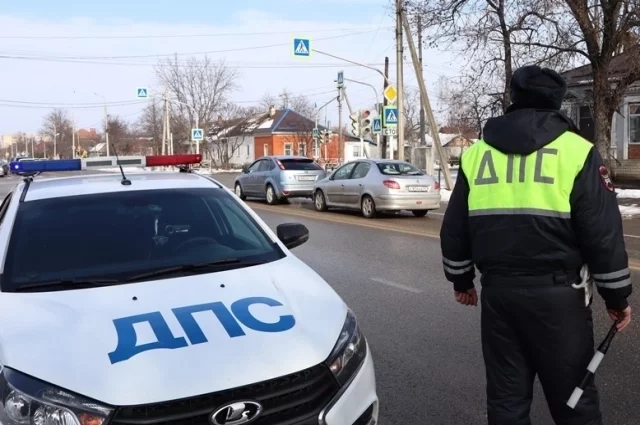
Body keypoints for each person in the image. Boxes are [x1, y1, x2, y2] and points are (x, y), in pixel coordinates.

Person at [439, 65, 632, 425]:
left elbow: (454, 228)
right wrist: (616, 297)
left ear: (513, 98)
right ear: (557, 102)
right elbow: (602, 234)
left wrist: (462, 280)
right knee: (574, 402)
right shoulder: (577, 151)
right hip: (559, 300)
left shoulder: (477, 154)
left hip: (499, 297)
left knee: (506, 402)